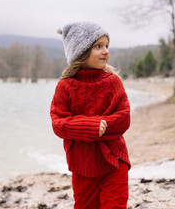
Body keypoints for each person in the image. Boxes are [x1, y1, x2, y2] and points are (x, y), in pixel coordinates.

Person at [50, 22, 131, 209]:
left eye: (106, 46)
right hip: (82, 167)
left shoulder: (113, 82)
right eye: (98, 46)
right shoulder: (65, 86)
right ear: (80, 51)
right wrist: (90, 127)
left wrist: (101, 126)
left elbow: (124, 118)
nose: (105, 51)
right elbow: (58, 124)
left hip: (114, 162)